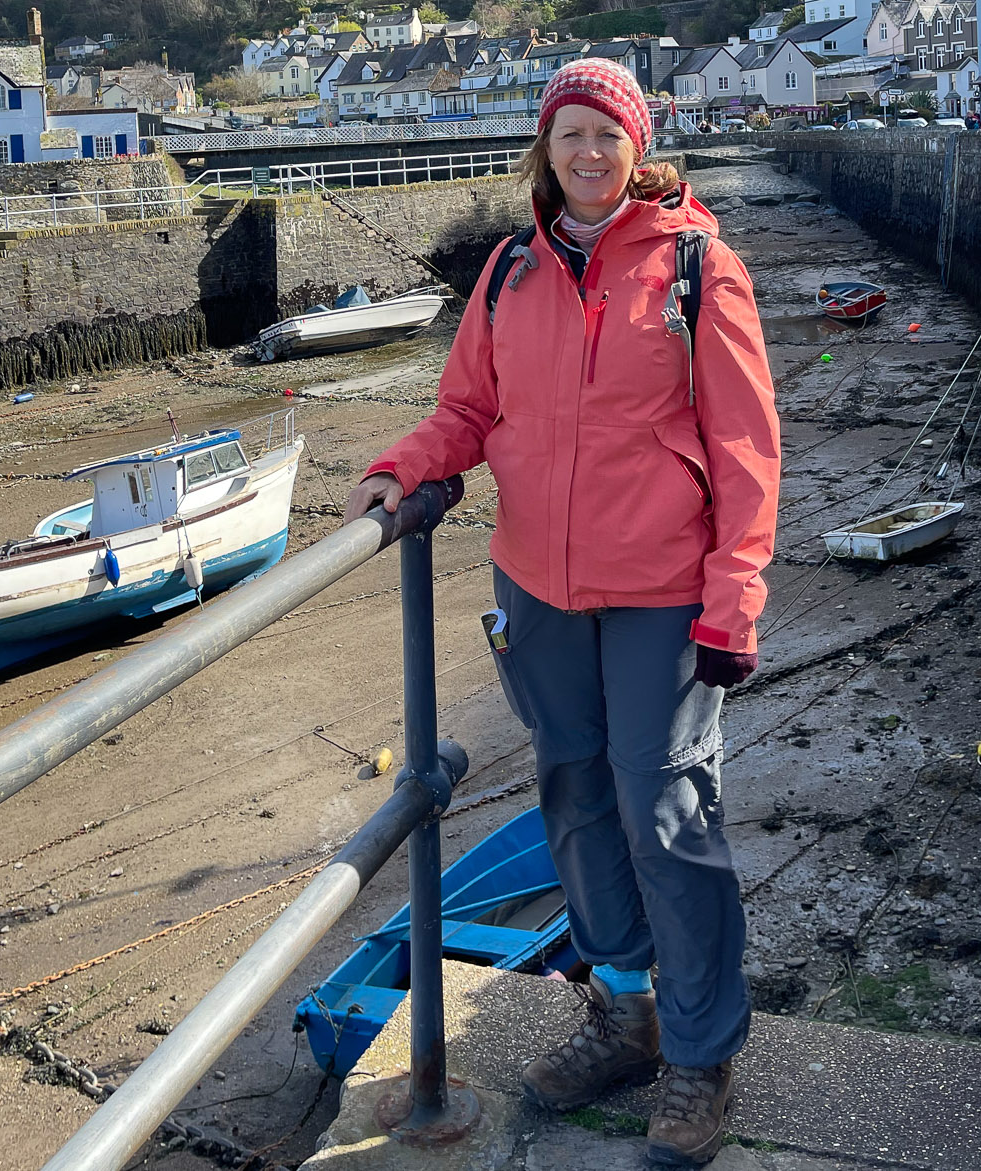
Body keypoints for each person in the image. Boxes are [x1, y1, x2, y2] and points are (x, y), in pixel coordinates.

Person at [344, 58, 780, 1167]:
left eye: (607, 134)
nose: (588, 152)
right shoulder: (510, 272)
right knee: (576, 800)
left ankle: (700, 1052)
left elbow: (745, 448)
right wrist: (405, 467)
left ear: (639, 147)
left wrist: (735, 594)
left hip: (663, 592)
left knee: (665, 810)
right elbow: (467, 409)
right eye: (570, 132)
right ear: (545, 147)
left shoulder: (697, 266)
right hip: (537, 587)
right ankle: (625, 1012)